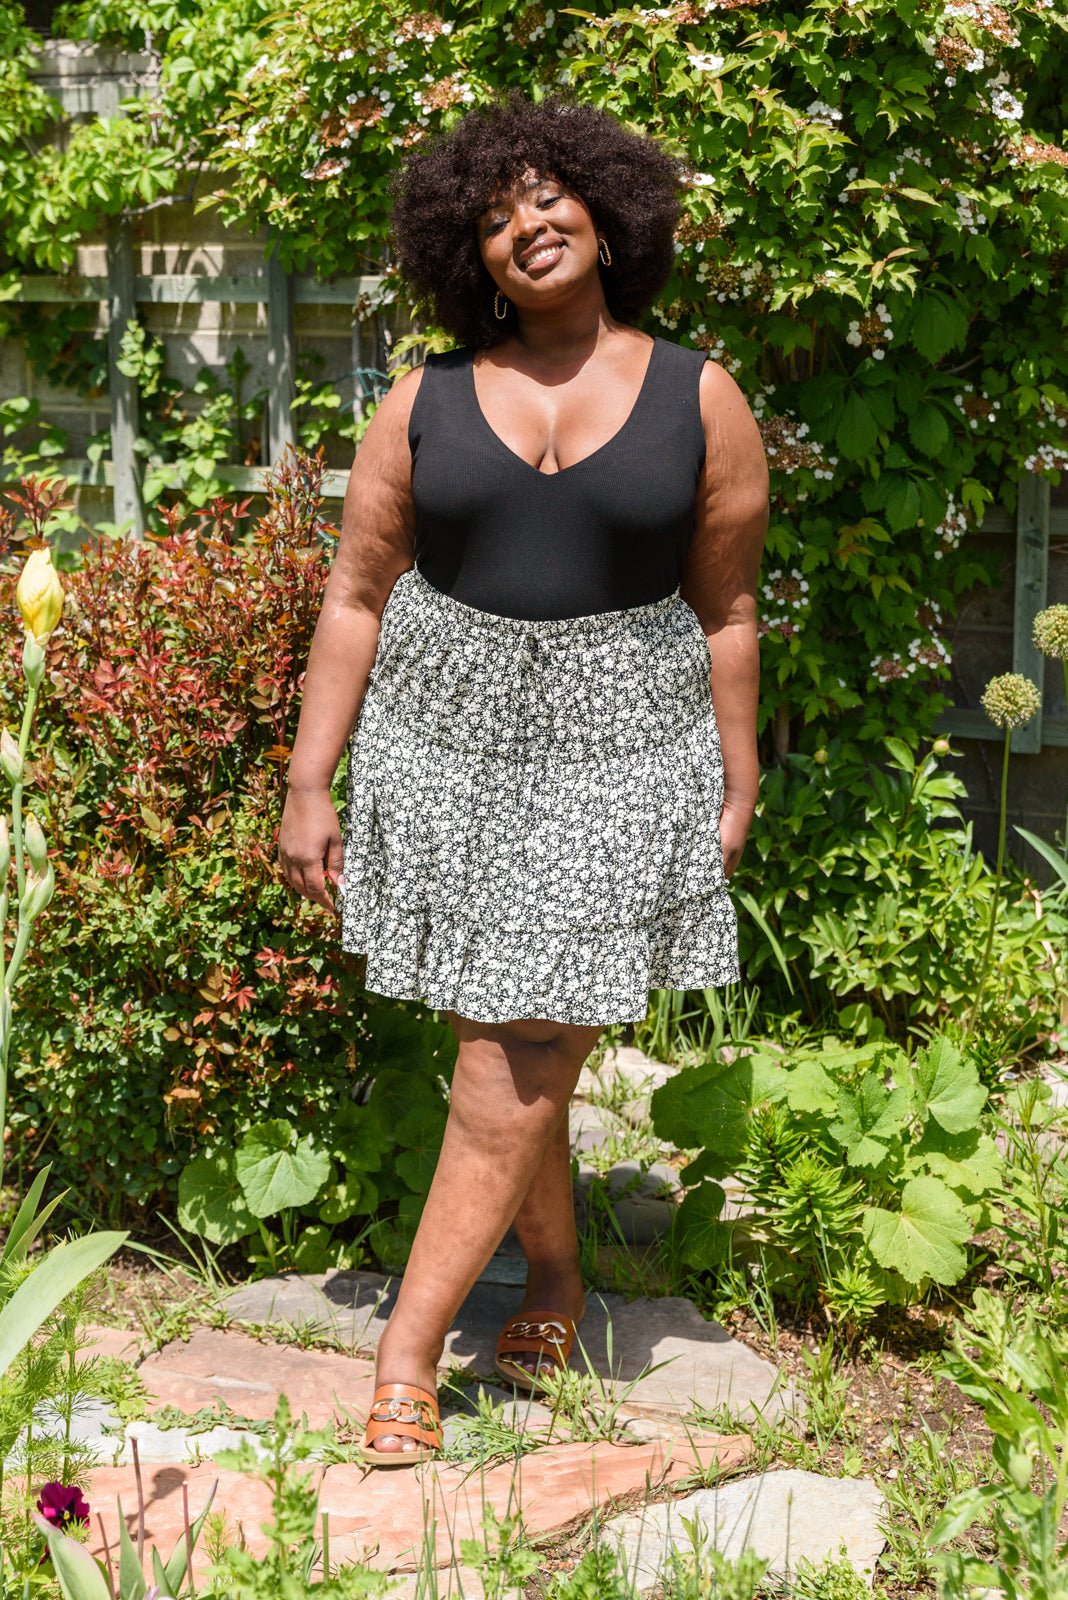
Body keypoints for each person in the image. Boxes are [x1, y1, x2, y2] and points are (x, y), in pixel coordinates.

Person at [278, 89, 769, 1466]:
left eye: (548, 197)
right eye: (494, 218)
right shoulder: (423, 400)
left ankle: (406, 1352)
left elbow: (728, 610)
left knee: (526, 1046)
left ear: (606, 215)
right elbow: (356, 595)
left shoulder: (701, 396)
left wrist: (735, 781)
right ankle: (554, 1281)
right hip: (447, 744)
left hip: (623, 745)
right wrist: (311, 780)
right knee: (502, 1035)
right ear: (470, 257)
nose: (527, 226)